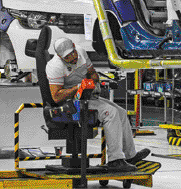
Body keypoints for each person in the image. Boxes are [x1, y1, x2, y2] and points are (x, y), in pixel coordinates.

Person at [46, 37, 151, 172]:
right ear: (60, 57)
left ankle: (130, 156)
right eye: (67, 57)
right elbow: (56, 97)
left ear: (74, 46)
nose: (72, 57)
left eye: (73, 53)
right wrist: (77, 87)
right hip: (72, 103)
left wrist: (93, 83)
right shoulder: (54, 66)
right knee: (110, 113)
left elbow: (93, 73)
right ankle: (115, 160)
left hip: (87, 96)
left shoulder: (81, 52)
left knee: (121, 113)